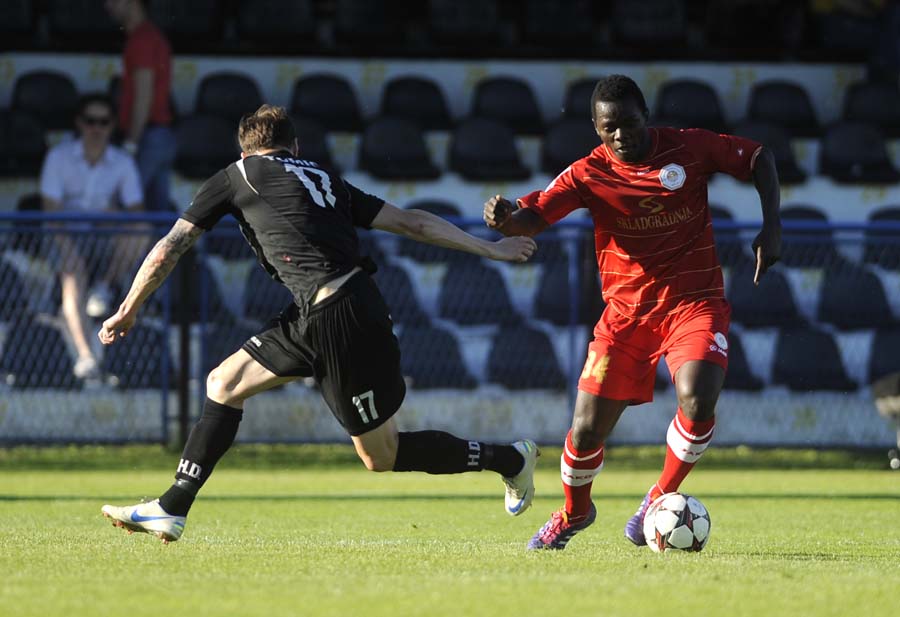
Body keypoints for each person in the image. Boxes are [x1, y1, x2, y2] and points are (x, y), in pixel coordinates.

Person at [99, 105, 541, 543]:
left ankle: (510, 459)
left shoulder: (237, 175)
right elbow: (413, 223)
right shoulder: (324, 179)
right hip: (319, 311)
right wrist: (492, 249)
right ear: (295, 146)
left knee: (381, 455)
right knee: (224, 382)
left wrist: (129, 306)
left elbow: (170, 246)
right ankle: (173, 506)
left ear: (245, 149)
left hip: (339, 315)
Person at [483, 74, 782, 550]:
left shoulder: (688, 148)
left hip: (694, 303)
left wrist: (773, 226)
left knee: (698, 398)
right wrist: (504, 220)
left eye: (629, 123)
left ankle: (660, 495)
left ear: (646, 116)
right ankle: (575, 513)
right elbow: (531, 218)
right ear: (597, 129)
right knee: (584, 430)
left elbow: (759, 156)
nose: (621, 135)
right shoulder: (588, 173)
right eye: (609, 128)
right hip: (625, 318)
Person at [39, 93, 144, 380]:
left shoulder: (122, 161)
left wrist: (116, 215)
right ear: (79, 124)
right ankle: (85, 356)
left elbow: (137, 212)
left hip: (104, 236)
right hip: (64, 234)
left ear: (112, 126)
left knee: (140, 233)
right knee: (72, 280)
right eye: (90, 121)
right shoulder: (58, 157)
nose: (96, 128)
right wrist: (66, 247)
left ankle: (104, 287)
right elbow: (50, 215)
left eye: (104, 121)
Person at [105, 0, 175, 213]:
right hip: (159, 136)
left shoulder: (142, 39)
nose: (108, 5)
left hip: (148, 137)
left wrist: (132, 143)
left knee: (126, 205)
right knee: (157, 211)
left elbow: (143, 95)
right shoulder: (148, 37)